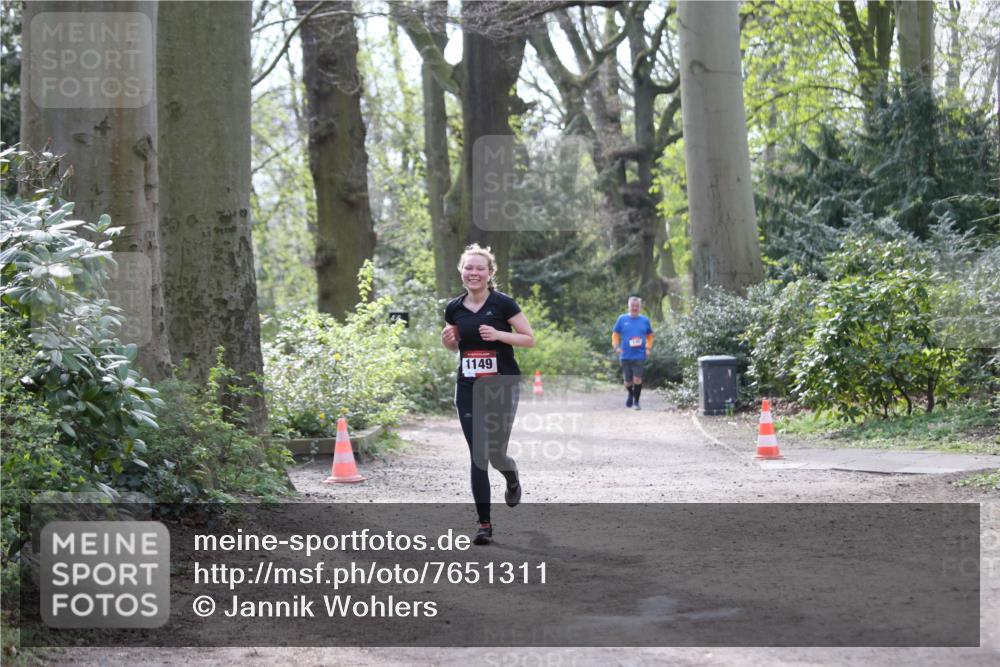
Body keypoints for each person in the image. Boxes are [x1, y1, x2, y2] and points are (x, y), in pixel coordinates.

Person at [442, 244, 535, 545]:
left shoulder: (503, 304)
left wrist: (498, 335)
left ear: (490, 273)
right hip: (468, 387)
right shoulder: (454, 308)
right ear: (462, 272)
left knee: (495, 454)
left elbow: (529, 339)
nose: (474, 273)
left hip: (502, 387)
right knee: (478, 455)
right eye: (469, 267)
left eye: (480, 268)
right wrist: (448, 341)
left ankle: (511, 475)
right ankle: (485, 525)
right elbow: (455, 345)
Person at [612, 296, 654, 410]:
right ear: (628, 306)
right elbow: (615, 334)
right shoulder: (622, 319)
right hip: (625, 354)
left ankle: (636, 402)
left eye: (637, 306)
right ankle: (630, 393)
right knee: (627, 382)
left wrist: (648, 348)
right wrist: (616, 347)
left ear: (640, 307)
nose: (634, 308)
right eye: (632, 306)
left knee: (637, 379)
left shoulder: (644, 320)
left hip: (640, 354)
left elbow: (650, 336)